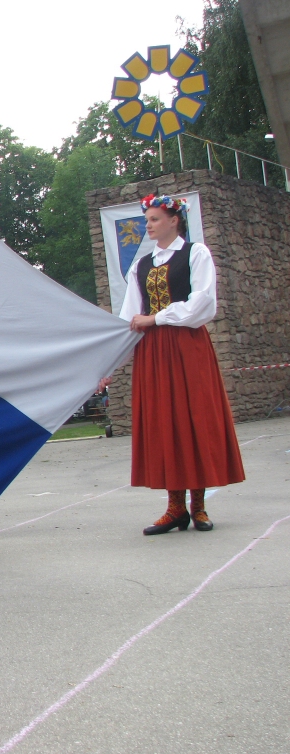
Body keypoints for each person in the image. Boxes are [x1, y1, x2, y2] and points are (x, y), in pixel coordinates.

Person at [100, 194, 244, 535]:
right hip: (153, 352)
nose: (148, 225)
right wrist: (108, 366)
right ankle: (175, 507)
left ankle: (199, 506)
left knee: (195, 418)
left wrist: (157, 318)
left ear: (173, 220)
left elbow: (202, 304)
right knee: (166, 421)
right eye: (147, 220)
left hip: (186, 345)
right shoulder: (142, 265)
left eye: (154, 219)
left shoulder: (195, 253)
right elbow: (129, 319)